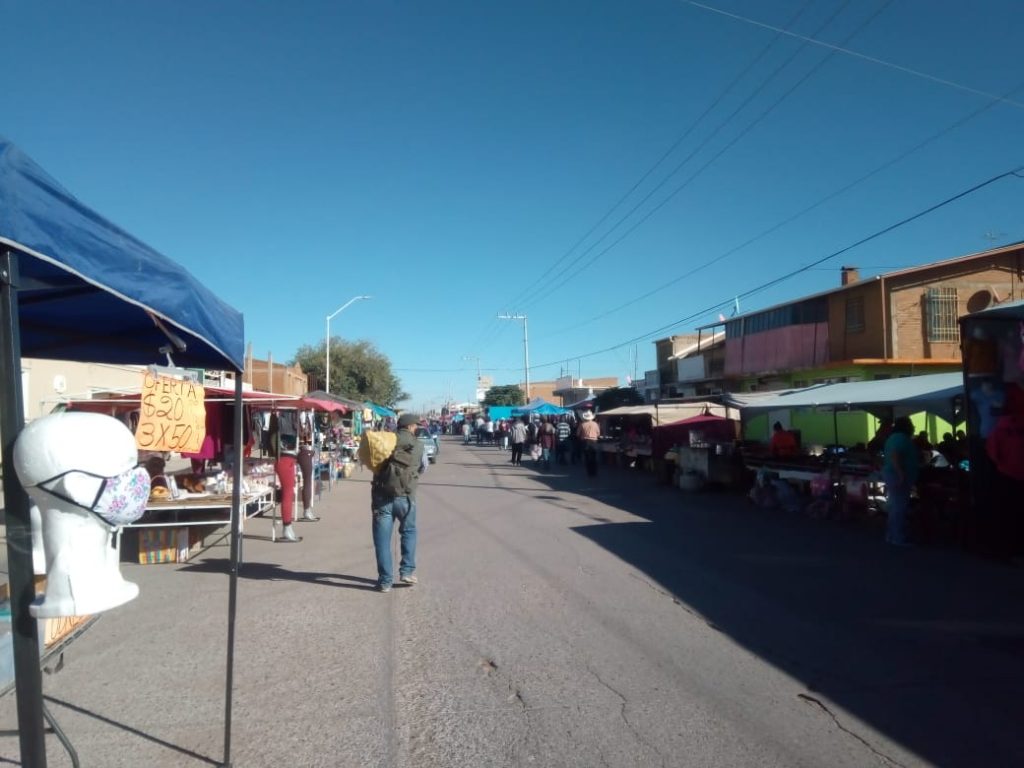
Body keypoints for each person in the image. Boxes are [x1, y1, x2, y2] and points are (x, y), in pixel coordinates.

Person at [371, 412, 427, 592]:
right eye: (416, 425)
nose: (417, 428)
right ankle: (407, 571)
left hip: (382, 497)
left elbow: (372, 463)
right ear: (410, 427)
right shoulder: (419, 446)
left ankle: (385, 581)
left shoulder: (385, 442)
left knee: (382, 541)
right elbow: (423, 467)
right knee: (409, 531)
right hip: (406, 497)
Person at [882, 416, 919, 547]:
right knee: (899, 507)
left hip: (892, 474)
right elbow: (895, 455)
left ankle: (892, 535)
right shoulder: (901, 438)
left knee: (894, 506)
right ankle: (898, 537)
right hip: (897, 475)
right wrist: (901, 473)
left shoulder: (892, 438)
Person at [578, 410, 601, 477]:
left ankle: (589, 472)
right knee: (594, 457)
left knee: (587, 457)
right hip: (594, 442)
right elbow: (599, 434)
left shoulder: (582, 424)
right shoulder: (595, 424)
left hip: (585, 442)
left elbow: (577, 433)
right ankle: (594, 472)